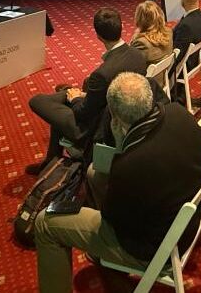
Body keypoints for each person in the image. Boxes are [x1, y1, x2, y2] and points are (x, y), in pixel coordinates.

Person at [34, 73, 201, 293]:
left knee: (45, 223)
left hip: (154, 248)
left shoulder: (129, 165)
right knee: (93, 173)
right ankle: (107, 267)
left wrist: (118, 144)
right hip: (189, 222)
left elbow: (112, 220)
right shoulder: (180, 114)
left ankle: (103, 262)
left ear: (115, 120)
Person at [26, 9, 146, 174]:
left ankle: (50, 161)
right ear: (121, 27)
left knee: (37, 101)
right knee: (65, 95)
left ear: (98, 36)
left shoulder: (101, 74)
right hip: (120, 113)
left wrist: (76, 99)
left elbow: (83, 113)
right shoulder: (137, 55)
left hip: (95, 128)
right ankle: (50, 160)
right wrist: (81, 95)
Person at [171, 0, 201, 73]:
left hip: (183, 67)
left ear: (182, 3)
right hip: (195, 59)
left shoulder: (185, 26)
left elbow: (177, 55)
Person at [129, 0, 173, 66]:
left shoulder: (142, 43)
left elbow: (130, 63)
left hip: (147, 72)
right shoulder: (169, 32)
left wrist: (134, 39)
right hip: (165, 70)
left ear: (139, 19)